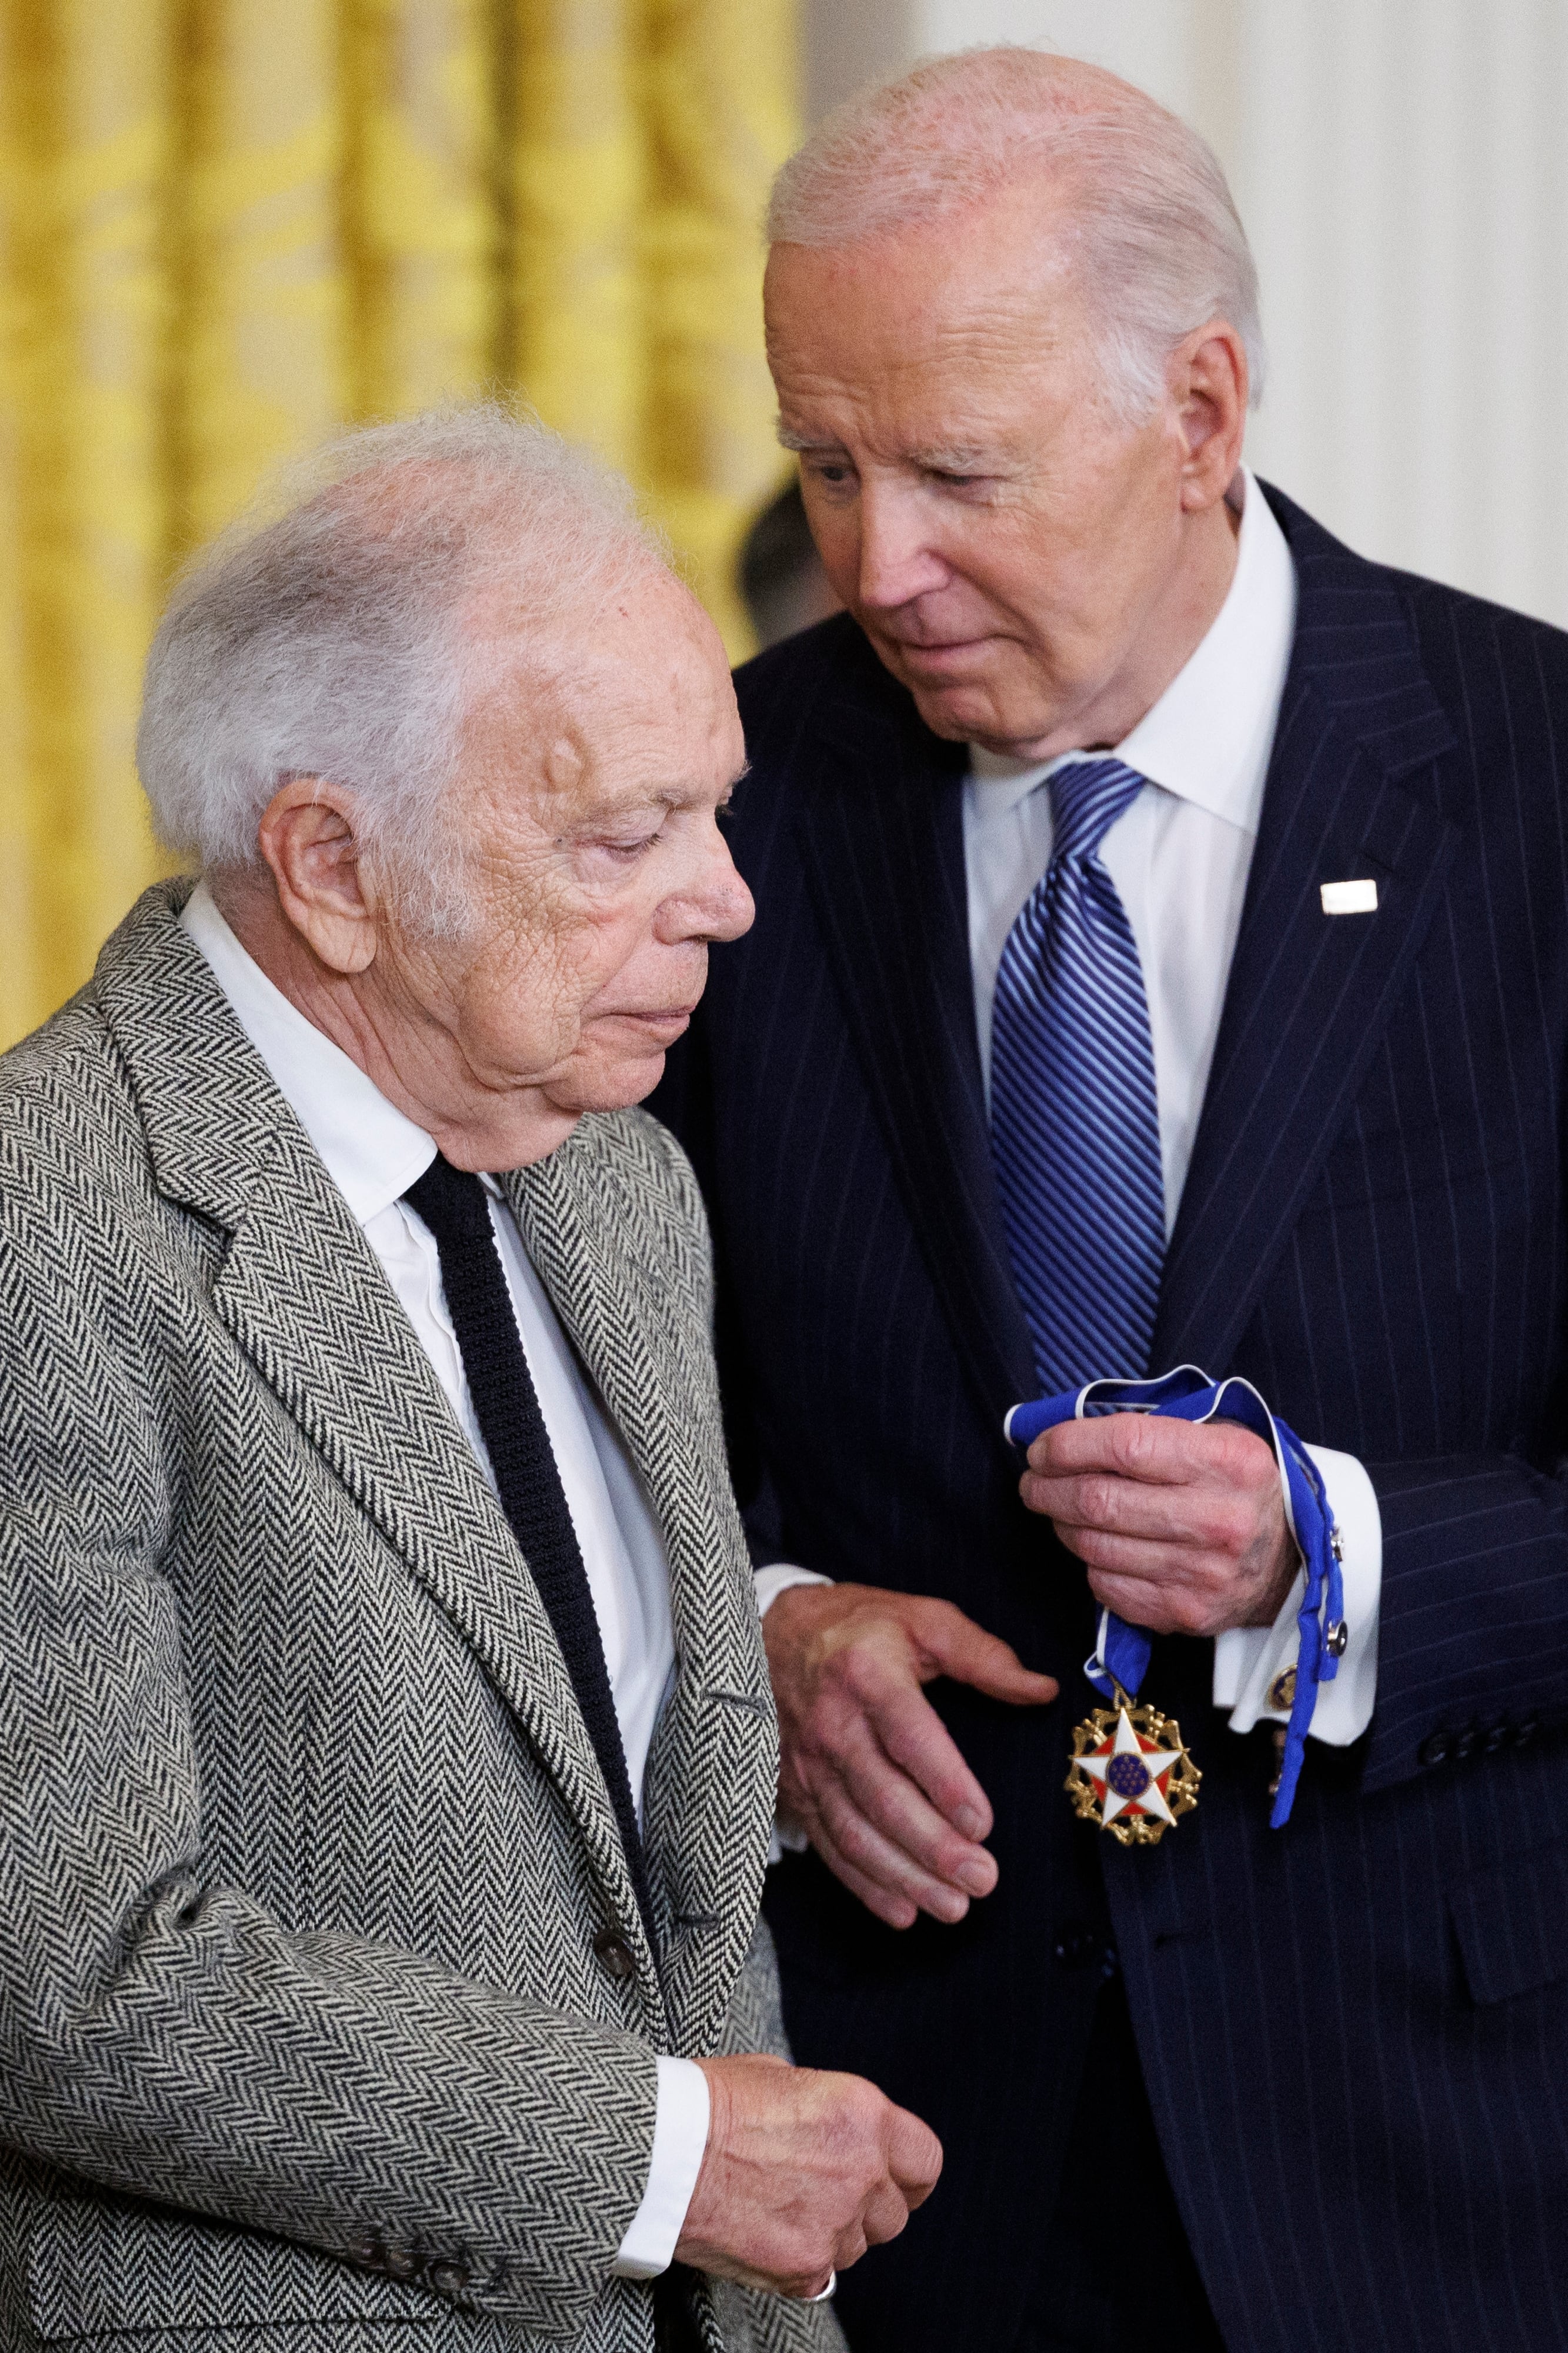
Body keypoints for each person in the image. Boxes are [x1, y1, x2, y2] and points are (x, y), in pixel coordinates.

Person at [652, 48, 1568, 2353]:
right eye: (824, 466)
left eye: (958, 473)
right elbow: (561, 1408)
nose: (878, 565)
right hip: (903, 2152)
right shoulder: (718, 807)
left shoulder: (1540, 787)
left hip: (1454, 2150)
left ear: (1200, 409)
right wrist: (754, 1624)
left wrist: (1335, 1557)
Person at [0, 406, 944, 2353]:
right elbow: (65, 1973)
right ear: (333, 865)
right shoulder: (44, 1219)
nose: (725, 900)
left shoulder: (616, 1173)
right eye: (624, 837)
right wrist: (662, 2161)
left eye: (714, 812)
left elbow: (612, 1839)